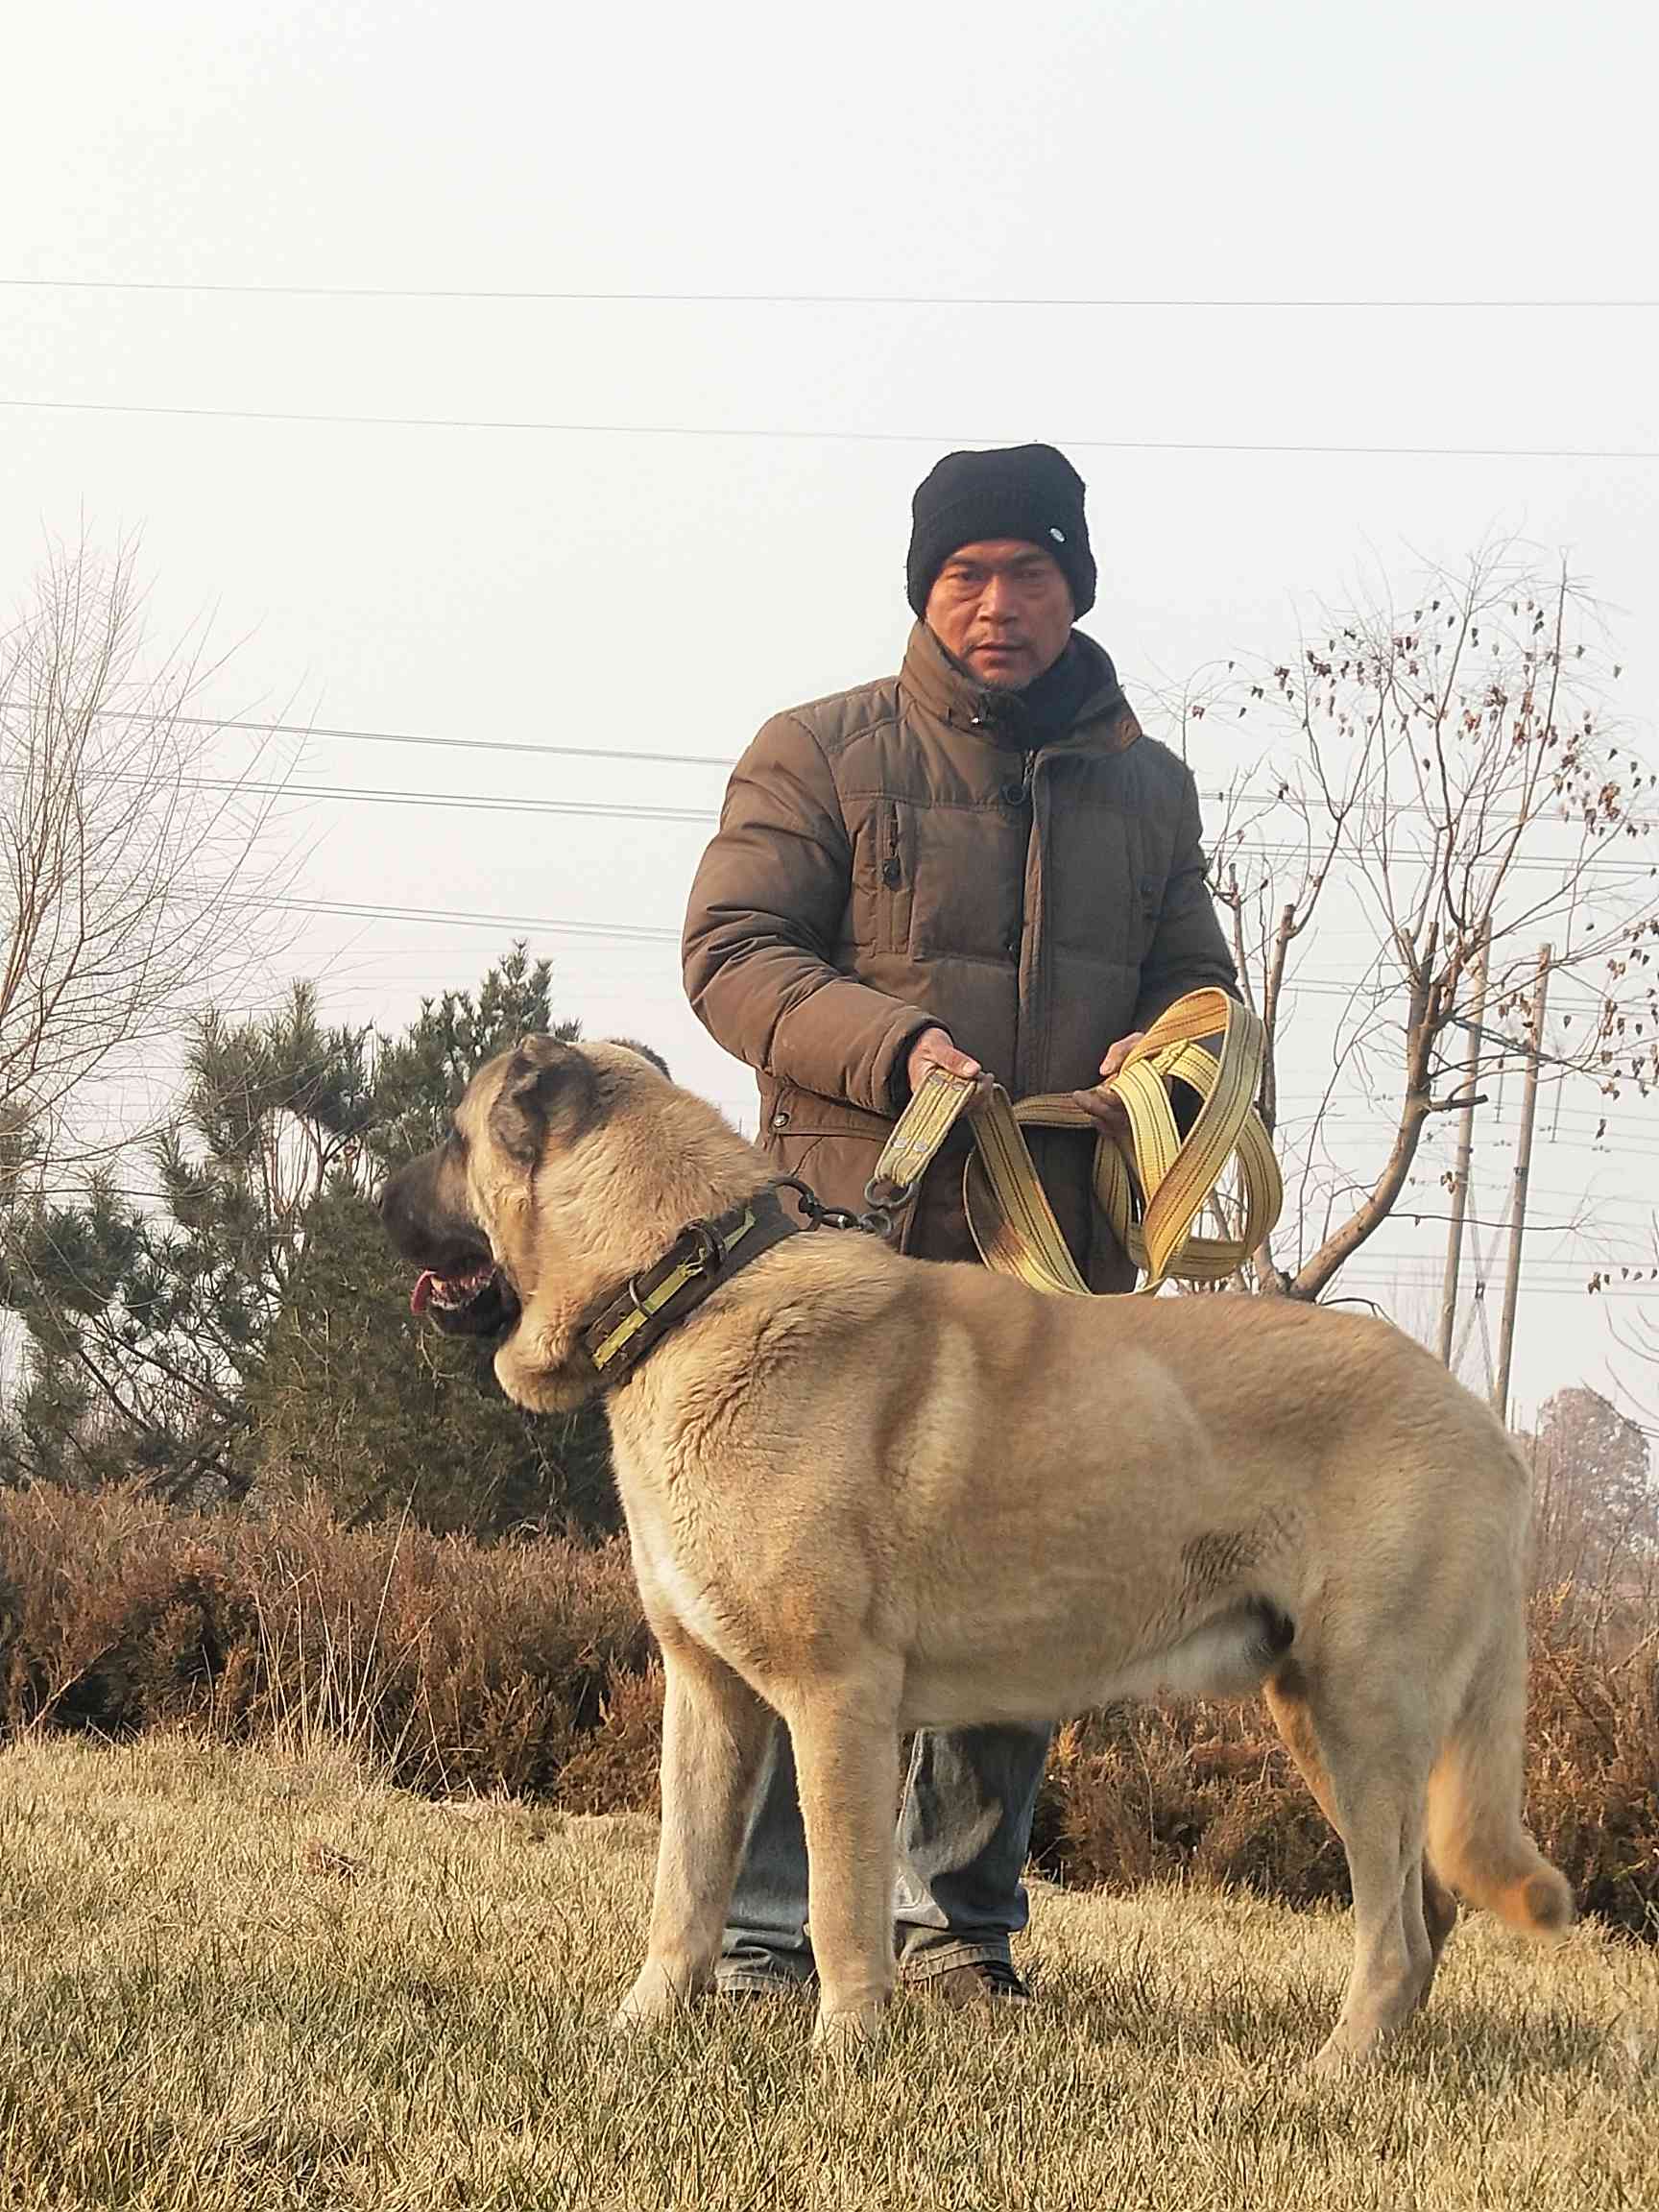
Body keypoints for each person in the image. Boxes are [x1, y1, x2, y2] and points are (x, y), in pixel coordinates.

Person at [680, 441, 1237, 2006]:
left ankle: (959, 1934)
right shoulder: (818, 752)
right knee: (799, 1602)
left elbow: (1204, 989)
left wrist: (1173, 1052)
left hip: (1051, 1264)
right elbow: (729, 953)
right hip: (841, 1255)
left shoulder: (1150, 785)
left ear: (1078, 584)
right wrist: (892, 1044)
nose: (1000, 604)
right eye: (968, 573)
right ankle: (762, 1940)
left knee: (1024, 1587)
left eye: (1033, 571)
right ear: (925, 587)